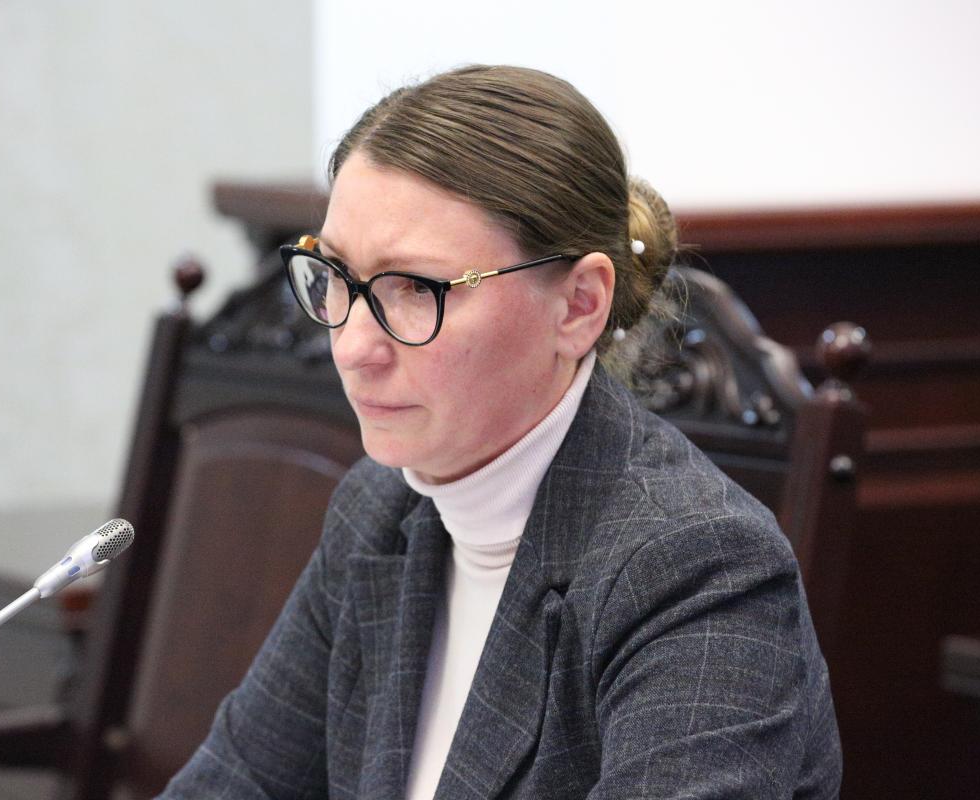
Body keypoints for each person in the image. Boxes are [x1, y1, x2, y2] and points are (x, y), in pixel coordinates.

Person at [159, 64, 841, 799]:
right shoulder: (379, 512)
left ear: (579, 306)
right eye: (334, 276)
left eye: (414, 288)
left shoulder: (698, 569)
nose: (352, 347)